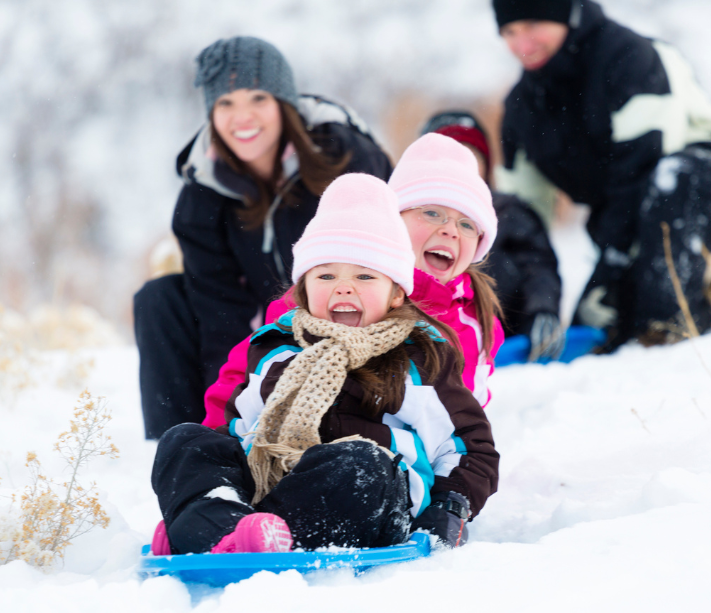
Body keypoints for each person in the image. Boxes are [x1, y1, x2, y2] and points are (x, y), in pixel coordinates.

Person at [150, 173, 499, 554]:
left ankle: (226, 533)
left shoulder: (420, 356)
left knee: (360, 463)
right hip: (270, 483)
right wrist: (209, 472)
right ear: (303, 288)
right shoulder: (274, 348)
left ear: (397, 292)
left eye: (365, 275)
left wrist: (450, 507)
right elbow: (238, 427)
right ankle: (221, 525)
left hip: (370, 500)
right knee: (185, 439)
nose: (343, 287)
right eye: (326, 274)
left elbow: (469, 449)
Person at [133, 37, 393, 439]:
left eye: (257, 98)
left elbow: (385, 258)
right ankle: (182, 441)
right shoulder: (203, 192)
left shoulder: (345, 156)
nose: (243, 117)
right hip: (263, 324)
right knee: (159, 299)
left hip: (349, 313)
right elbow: (217, 307)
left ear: (283, 103)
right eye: (225, 103)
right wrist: (226, 410)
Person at [200, 133, 505, 430]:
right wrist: (217, 436)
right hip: (305, 439)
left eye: (466, 223)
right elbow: (247, 371)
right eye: (432, 212)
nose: (451, 230)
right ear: (395, 221)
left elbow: (468, 415)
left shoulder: (478, 320)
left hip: (400, 459)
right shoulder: (331, 289)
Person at [493, 0, 711, 349]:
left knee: (675, 181)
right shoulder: (523, 107)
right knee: (599, 328)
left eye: (533, 24)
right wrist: (530, 304)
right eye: (509, 32)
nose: (522, 44)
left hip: (689, 199)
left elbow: (645, 168)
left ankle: (675, 333)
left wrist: (609, 268)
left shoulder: (628, 57)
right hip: (619, 222)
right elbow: (519, 216)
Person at [421, 110, 564, 360]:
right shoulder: (410, 217)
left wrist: (542, 309)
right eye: (451, 158)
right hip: (430, 338)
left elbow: (538, 267)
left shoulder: (509, 211)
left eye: (471, 158)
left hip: (505, 337)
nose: (462, 169)